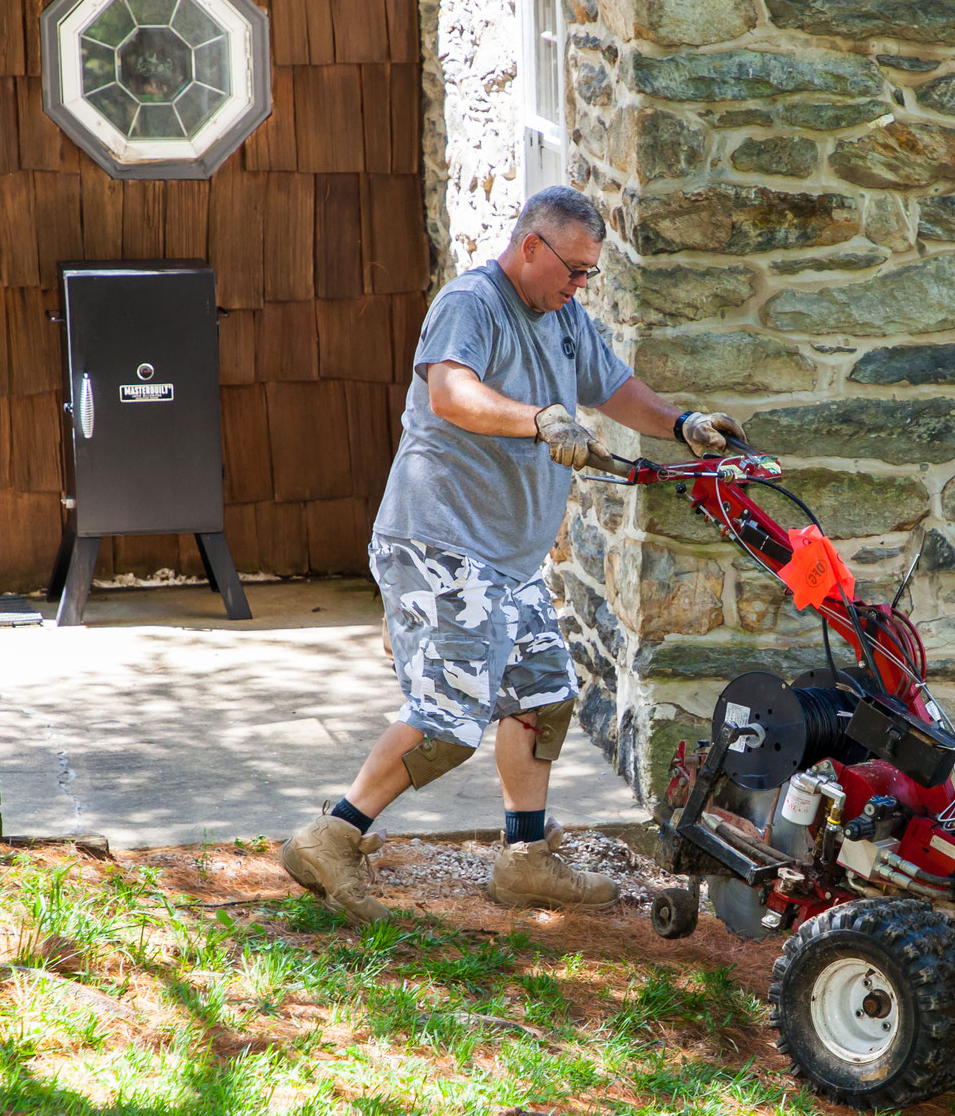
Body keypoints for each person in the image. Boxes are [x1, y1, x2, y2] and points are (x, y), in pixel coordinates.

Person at [280, 186, 744, 923]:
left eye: (590, 272)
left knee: (543, 695)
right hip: (439, 543)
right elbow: (452, 394)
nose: (580, 285)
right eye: (575, 269)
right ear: (532, 247)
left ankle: (525, 858)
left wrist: (681, 423)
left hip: (507, 559)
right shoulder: (472, 304)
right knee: (449, 715)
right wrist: (540, 419)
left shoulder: (564, 319)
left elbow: (615, 388)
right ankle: (332, 834)